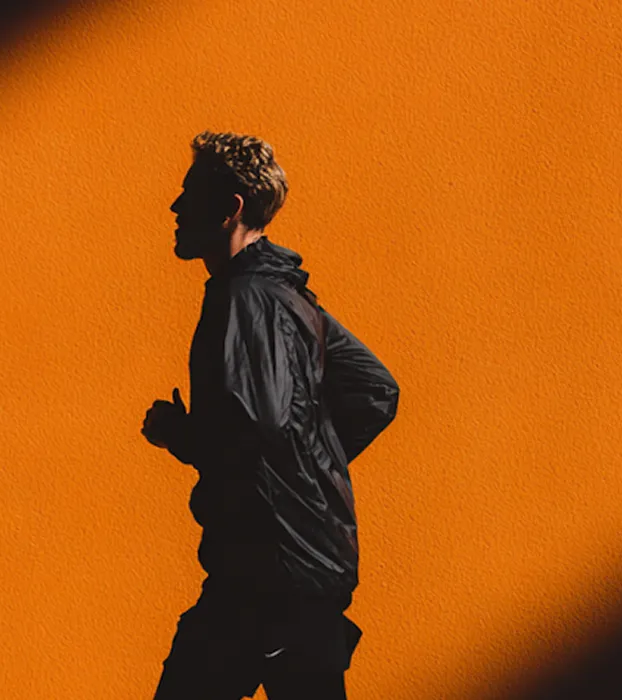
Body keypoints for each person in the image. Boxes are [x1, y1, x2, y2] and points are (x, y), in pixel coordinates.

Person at [142, 130, 400, 699]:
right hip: (302, 567)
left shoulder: (246, 298)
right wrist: (311, 470)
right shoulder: (291, 299)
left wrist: (177, 433)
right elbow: (376, 391)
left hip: (266, 576)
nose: (176, 207)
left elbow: (256, 427)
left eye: (190, 194)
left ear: (230, 208)